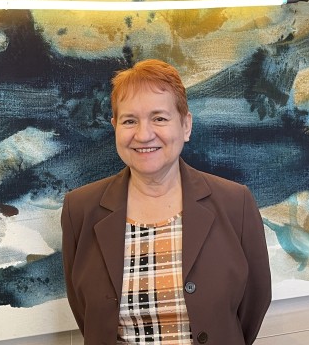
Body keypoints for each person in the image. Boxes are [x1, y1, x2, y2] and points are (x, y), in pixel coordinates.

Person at [61, 58, 271, 345]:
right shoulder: (80, 209)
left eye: (159, 118)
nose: (143, 134)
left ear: (185, 125)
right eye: (129, 120)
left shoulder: (236, 203)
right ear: (115, 127)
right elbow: (87, 313)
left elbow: (253, 303)